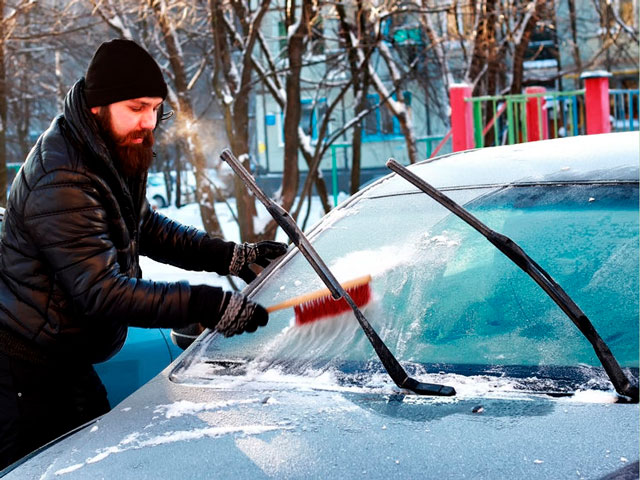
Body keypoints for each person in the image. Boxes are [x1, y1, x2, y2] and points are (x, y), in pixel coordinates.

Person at [0, 39, 287, 470]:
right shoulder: (63, 178)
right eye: (137, 107)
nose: (149, 122)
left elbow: (146, 227)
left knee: (95, 463)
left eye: (155, 108)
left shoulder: (103, 149)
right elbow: (101, 292)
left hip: (62, 360)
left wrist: (229, 256)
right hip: (23, 371)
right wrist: (203, 303)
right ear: (99, 106)